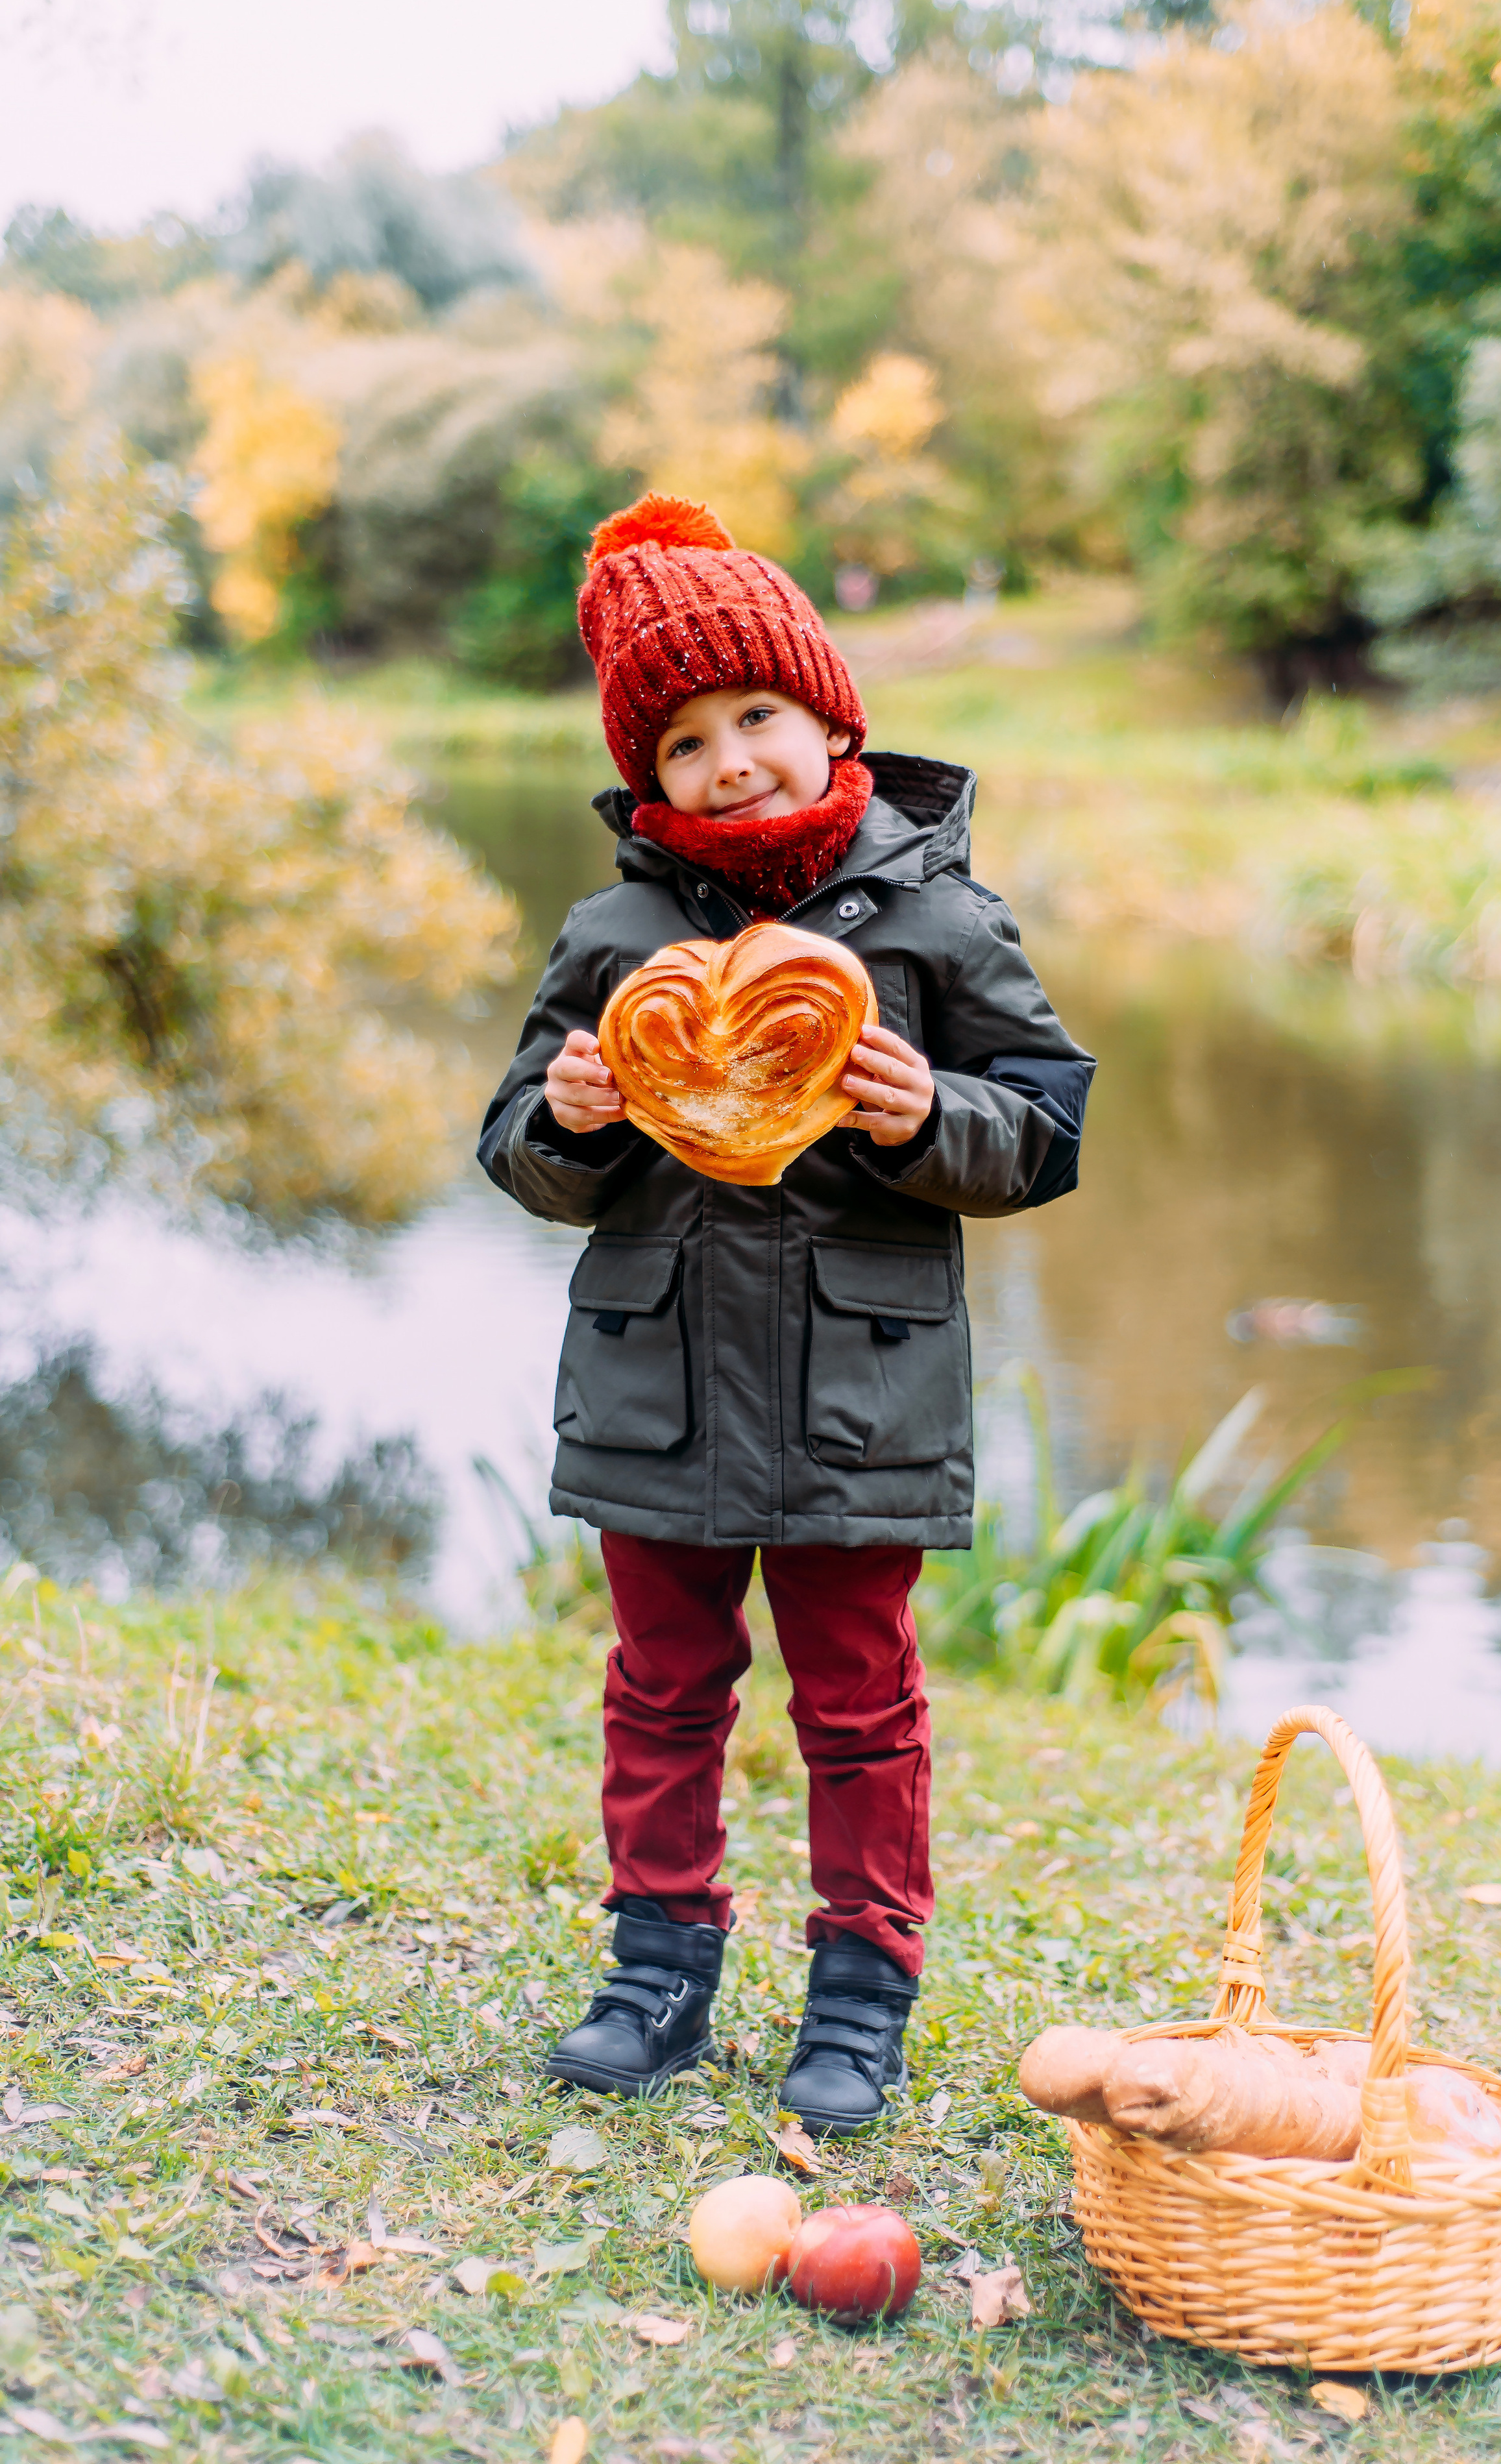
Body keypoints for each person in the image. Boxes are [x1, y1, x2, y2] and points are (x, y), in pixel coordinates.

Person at [479, 493, 1094, 2135]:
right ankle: (658, 1964)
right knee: (661, 1687)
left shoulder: (935, 918)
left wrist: (923, 1116)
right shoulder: (611, 938)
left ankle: (860, 1987)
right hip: (653, 1383)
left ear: (833, 716)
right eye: (683, 739)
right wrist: (576, 1117)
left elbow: (1044, 1130)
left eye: (756, 714)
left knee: (858, 1699)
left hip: (858, 1391)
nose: (730, 757)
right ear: (644, 774)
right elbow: (514, 1150)